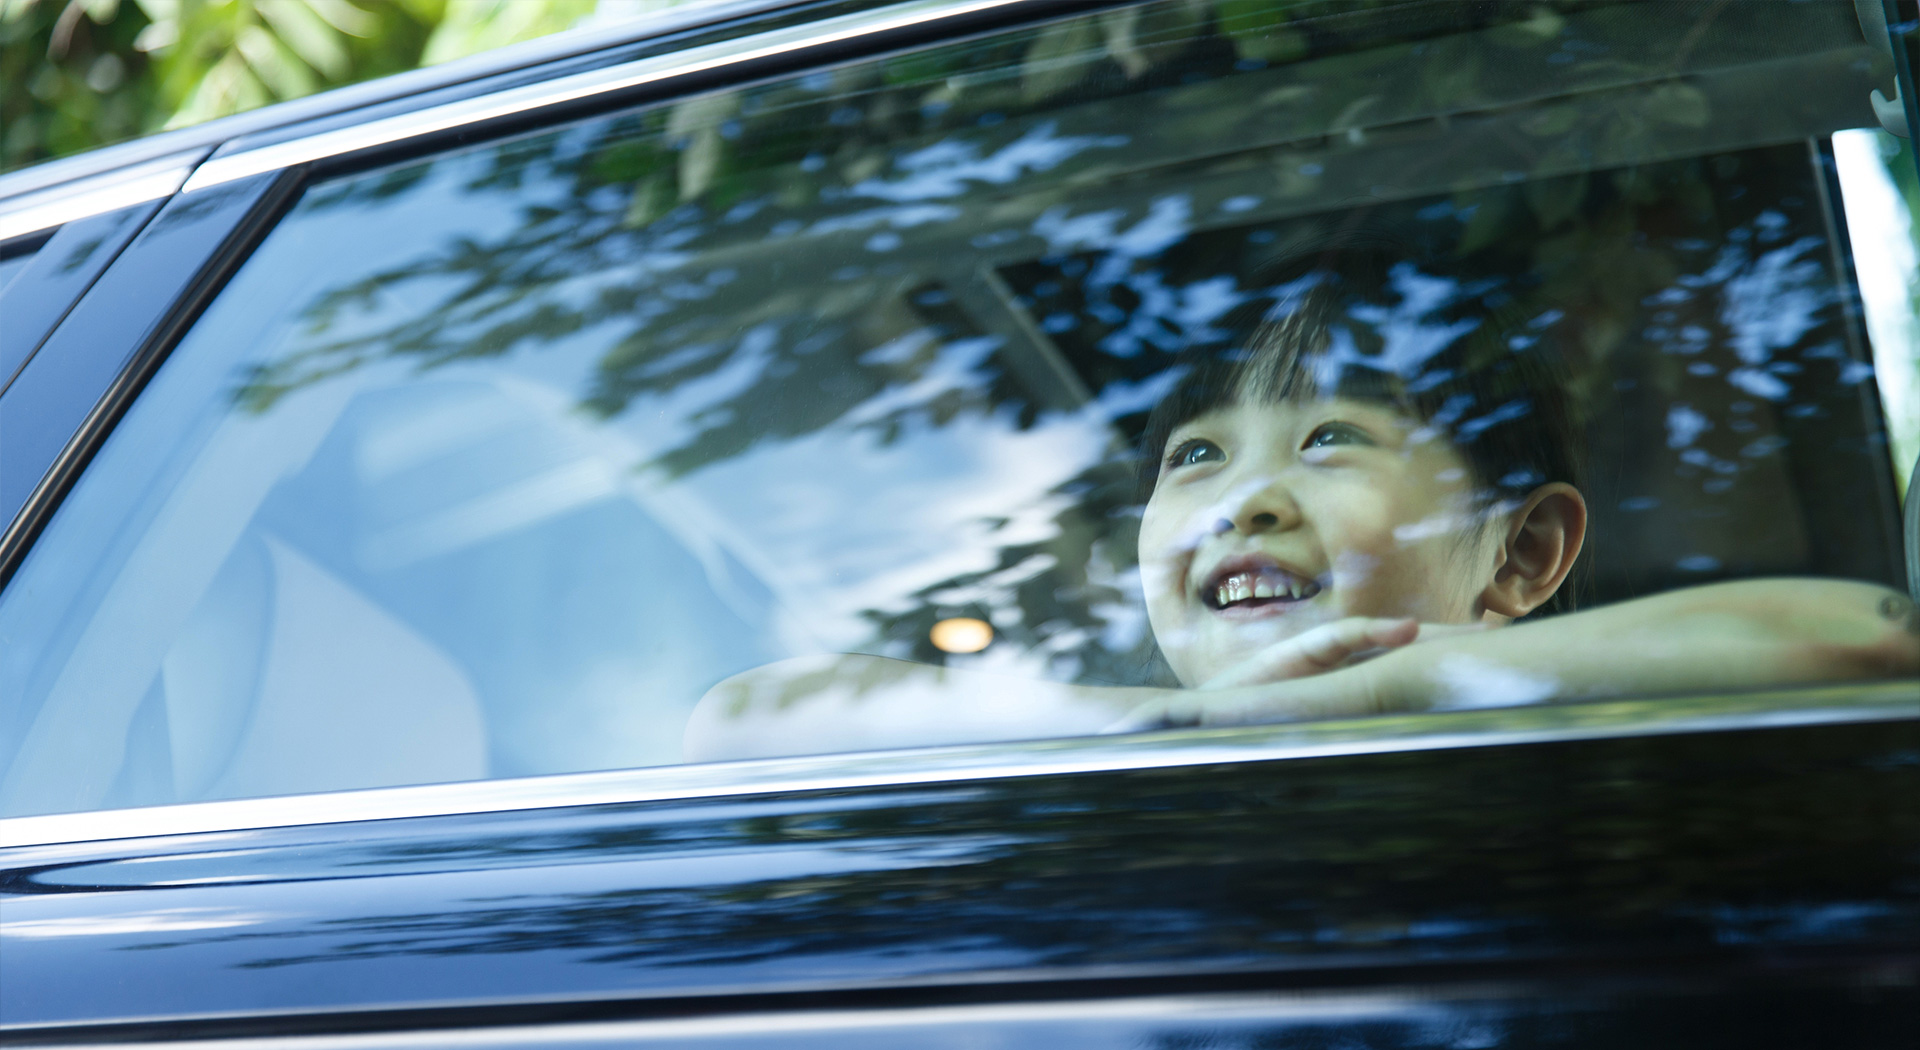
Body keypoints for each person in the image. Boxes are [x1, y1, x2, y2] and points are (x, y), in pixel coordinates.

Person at [683, 249, 1920, 762]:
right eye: (1195, 457)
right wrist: (1202, 722)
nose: (1246, 501)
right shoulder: (1097, 769)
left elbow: (1866, 636)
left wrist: (1376, 690)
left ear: (1523, 554)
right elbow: (742, 717)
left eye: (1332, 439)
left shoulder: (1595, 765)